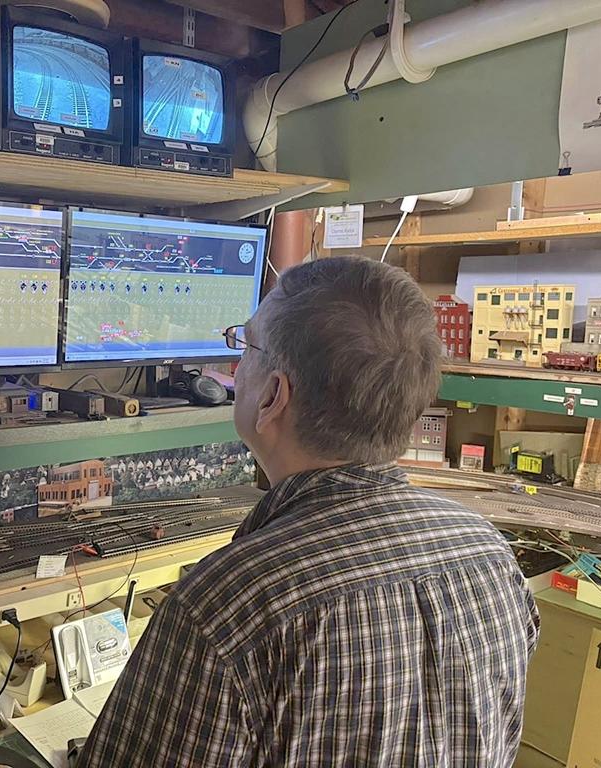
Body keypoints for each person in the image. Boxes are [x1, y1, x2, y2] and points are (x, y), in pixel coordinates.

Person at [77, 256, 540, 767]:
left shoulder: (226, 607)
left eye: (246, 346)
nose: (235, 366)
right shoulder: (489, 553)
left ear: (273, 395)